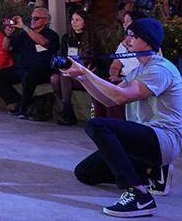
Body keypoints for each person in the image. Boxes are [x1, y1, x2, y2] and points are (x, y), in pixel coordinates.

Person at [69, 18, 181, 217]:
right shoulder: (138, 71)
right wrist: (82, 78)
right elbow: (108, 100)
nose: (127, 40)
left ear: (147, 41)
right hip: (142, 140)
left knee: (97, 126)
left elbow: (121, 97)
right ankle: (153, 173)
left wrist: (86, 70)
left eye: (132, 36)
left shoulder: (160, 69)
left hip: (162, 139)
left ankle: (140, 195)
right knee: (85, 173)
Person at [0, 8, 60, 119]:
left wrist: (24, 26)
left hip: (41, 69)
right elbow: (7, 47)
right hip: (21, 67)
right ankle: (18, 102)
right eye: (31, 18)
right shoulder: (25, 34)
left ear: (46, 21)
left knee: (29, 74)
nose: (33, 20)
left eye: (36, 18)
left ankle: (23, 107)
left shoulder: (51, 34)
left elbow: (43, 42)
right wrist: (7, 35)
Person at [50, 10, 102, 126]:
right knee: (56, 77)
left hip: (87, 75)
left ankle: (67, 111)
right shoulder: (66, 38)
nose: (74, 22)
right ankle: (67, 108)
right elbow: (64, 58)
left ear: (85, 22)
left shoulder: (93, 40)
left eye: (77, 20)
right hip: (70, 75)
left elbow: (94, 63)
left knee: (65, 75)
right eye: (72, 19)